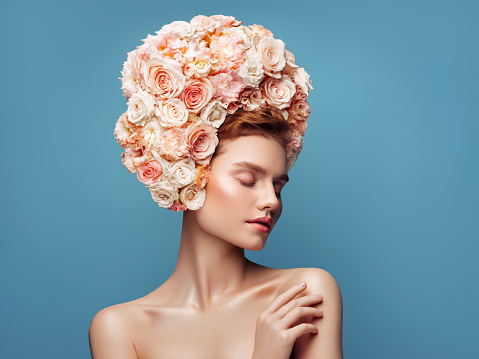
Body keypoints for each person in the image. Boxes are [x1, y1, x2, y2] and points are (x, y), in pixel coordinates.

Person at [89, 15, 343, 358]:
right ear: (193, 172)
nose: (271, 201)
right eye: (248, 180)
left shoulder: (303, 295)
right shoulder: (121, 328)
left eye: (278, 186)